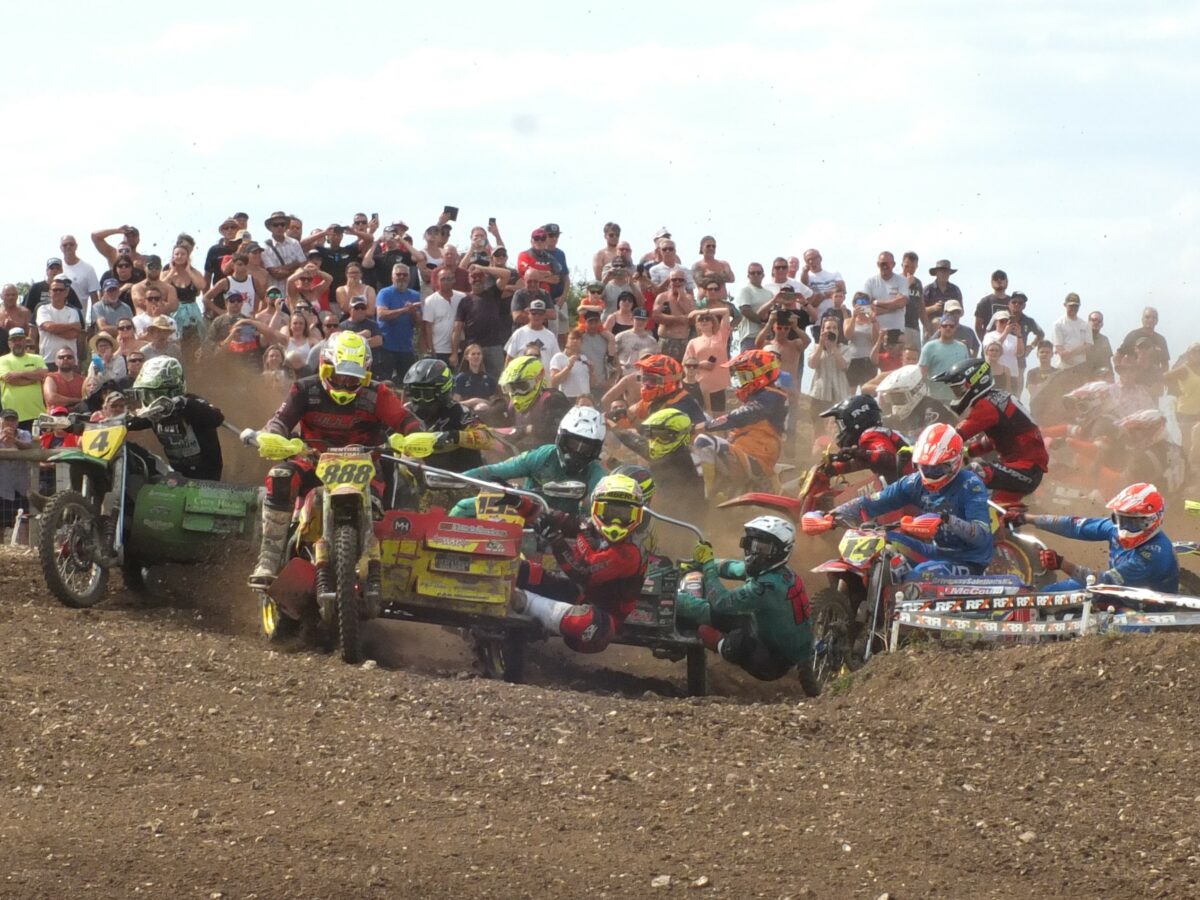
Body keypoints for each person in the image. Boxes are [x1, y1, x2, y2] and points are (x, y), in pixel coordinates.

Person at [248, 331, 420, 588]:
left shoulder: (377, 393)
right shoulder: (305, 389)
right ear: (325, 366)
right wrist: (272, 437)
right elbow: (280, 421)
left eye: (354, 378)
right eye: (340, 375)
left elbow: (406, 420)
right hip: (313, 460)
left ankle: (382, 562)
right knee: (280, 477)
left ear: (366, 374)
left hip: (364, 465)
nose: (346, 382)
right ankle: (269, 558)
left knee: (384, 496)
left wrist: (416, 438)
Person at [821, 423, 993, 578]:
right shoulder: (914, 482)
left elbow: (982, 536)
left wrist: (945, 520)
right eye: (924, 467)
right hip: (936, 552)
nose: (929, 474)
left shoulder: (970, 484)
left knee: (918, 576)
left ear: (953, 463)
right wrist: (829, 516)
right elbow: (871, 502)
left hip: (968, 560)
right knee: (880, 540)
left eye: (936, 469)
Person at [676, 516, 819, 695]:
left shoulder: (766, 587)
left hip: (771, 664)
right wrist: (698, 565)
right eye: (752, 545)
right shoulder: (780, 572)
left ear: (781, 551)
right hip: (776, 642)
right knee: (734, 617)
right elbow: (733, 567)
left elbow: (721, 602)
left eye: (762, 549)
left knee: (718, 630)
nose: (754, 553)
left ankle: (712, 638)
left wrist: (707, 565)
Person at [511, 473, 648, 654]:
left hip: (605, 621)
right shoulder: (588, 525)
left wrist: (555, 539)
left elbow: (583, 574)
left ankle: (522, 602)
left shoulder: (629, 553)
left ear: (638, 515)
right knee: (520, 571)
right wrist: (520, 502)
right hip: (578, 595)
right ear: (595, 508)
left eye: (624, 514)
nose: (616, 521)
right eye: (609, 511)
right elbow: (557, 518)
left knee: (585, 622)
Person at [1012, 483, 1177, 594]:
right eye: (1121, 519)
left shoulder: (1156, 553)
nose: (1124, 528)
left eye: (1132, 522)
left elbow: (1106, 582)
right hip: (1111, 594)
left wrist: (1062, 564)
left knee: (1110, 627)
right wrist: (1026, 518)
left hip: (1146, 609)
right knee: (1045, 596)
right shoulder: (1114, 529)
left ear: (1151, 520)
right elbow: (1074, 525)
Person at [934, 358, 1049, 506]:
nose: (956, 395)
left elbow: (954, 436)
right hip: (1022, 468)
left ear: (973, 384)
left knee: (976, 469)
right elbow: (996, 440)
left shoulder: (986, 406)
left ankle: (943, 506)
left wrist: (927, 446)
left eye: (958, 390)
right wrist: (969, 452)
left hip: (1026, 469)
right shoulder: (996, 398)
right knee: (995, 510)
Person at [462, 406, 608, 515]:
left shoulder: (598, 477)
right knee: (463, 507)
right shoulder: (542, 455)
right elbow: (498, 470)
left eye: (586, 448)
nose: (576, 452)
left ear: (596, 451)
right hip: (524, 515)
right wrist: (459, 479)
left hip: (568, 532)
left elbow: (601, 515)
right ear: (561, 438)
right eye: (573, 443)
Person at [696, 349, 789, 486]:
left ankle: (704, 496)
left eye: (744, 375)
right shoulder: (765, 396)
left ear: (760, 374)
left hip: (757, 457)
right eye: (739, 376)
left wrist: (705, 426)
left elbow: (741, 416)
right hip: (746, 451)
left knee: (704, 441)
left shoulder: (773, 396)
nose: (740, 380)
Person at [126, 357, 225, 481]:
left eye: (157, 394)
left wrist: (185, 404)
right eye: (147, 394)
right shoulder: (152, 412)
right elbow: (133, 422)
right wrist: (116, 422)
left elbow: (217, 417)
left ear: (174, 390)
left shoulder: (191, 403)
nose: (152, 400)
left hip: (205, 472)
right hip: (178, 472)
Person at [399, 358, 492, 471]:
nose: (421, 399)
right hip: (423, 474)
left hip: (461, 474)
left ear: (442, 391)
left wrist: (452, 437)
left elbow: (487, 438)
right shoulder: (407, 411)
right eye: (416, 393)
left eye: (427, 394)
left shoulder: (458, 411)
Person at [817, 393, 913, 484]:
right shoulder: (877, 433)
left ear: (854, 419)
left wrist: (856, 452)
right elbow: (866, 462)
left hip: (909, 484)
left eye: (841, 424)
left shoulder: (870, 435)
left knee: (865, 496)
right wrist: (835, 469)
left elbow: (888, 458)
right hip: (911, 481)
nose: (839, 430)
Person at [496, 354, 572, 449]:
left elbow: (557, 432)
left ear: (538, 379)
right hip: (519, 454)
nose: (516, 392)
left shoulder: (554, 399)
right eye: (511, 387)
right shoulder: (510, 405)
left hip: (548, 452)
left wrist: (526, 430)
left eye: (522, 386)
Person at [375, 263, 423, 383]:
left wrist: (412, 312)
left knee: (407, 384)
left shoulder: (415, 295)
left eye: (405, 275)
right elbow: (381, 315)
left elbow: (418, 323)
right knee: (385, 383)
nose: (402, 277)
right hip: (386, 346)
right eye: (398, 274)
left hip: (406, 347)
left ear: (409, 277)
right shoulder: (385, 293)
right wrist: (404, 310)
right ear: (392, 277)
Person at [876, 364, 954, 435]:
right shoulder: (898, 416)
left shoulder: (932, 408)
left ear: (916, 390)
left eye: (898, 397)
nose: (894, 401)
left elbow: (929, 436)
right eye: (891, 398)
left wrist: (903, 433)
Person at [630, 354, 705, 425]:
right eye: (644, 379)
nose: (647, 384)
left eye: (652, 380)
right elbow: (631, 413)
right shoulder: (649, 401)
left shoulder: (685, 402)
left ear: (670, 381)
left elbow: (701, 428)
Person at [0, 328, 49, 429]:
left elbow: (43, 374)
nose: (17, 343)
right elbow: (10, 380)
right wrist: (33, 378)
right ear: (9, 343)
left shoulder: (37, 358)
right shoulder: (2, 360)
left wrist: (20, 373)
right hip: (12, 416)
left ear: (25, 341)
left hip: (37, 413)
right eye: (14, 340)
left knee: (38, 439)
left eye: (20, 339)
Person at [1052, 293, 1092, 370]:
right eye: (1071, 306)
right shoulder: (1058, 324)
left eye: (1076, 306)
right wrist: (1077, 352)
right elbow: (1059, 348)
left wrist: (1071, 353)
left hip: (1081, 367)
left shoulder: (1085, 325)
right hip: (1063, 367)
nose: (1073, 308)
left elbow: (1088, 346)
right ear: (1065, 305)